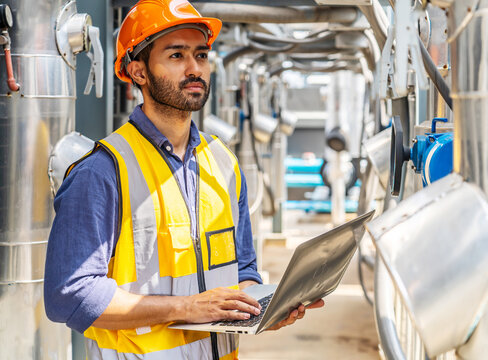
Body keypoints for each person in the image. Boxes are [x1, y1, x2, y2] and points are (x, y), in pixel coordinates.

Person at [44, 0, 323, 359]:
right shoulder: (102, 172)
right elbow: (69, 294)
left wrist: (261, 307)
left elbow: (244, 268)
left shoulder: (223, 162)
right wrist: (186, 307)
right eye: (176, 56)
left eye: (202, 55)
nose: (195, 69)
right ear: (138, 71)